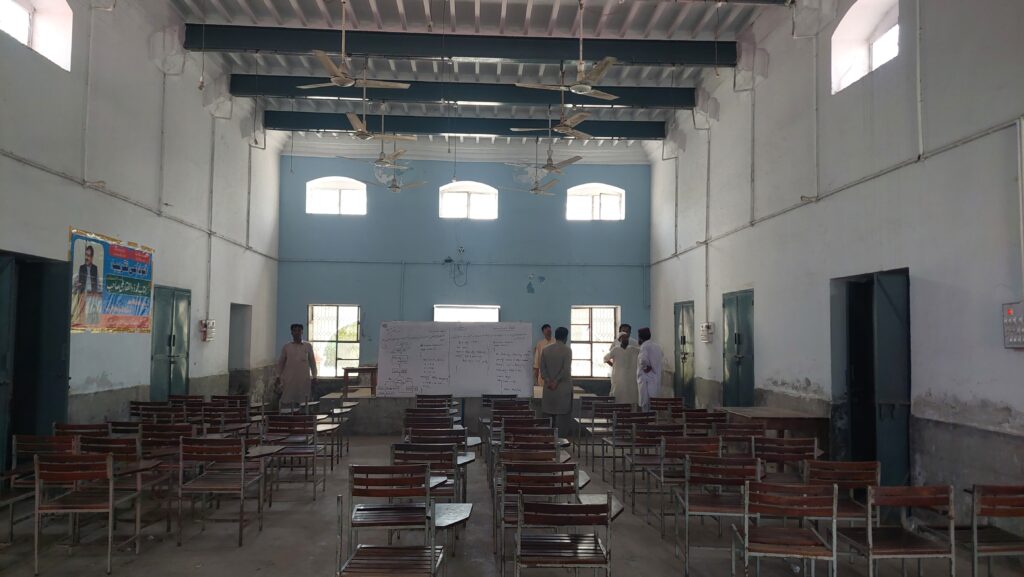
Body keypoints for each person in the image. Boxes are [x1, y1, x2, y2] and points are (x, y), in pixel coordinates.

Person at [539, 326, 574, 436]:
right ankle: (561, 441)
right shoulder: (567, 350)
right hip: (562, 390)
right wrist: (556, 381)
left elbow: (542, 369)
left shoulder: (545, 350)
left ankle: (548, 441)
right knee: (562, 421)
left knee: (548, 419)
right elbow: (565, 369)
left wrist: (548, 380)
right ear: (565, 337)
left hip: (549, 389)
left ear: (555, 336)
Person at [275, 323, 318, 409]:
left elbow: (312, 363)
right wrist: (277, 376)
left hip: (304, 380)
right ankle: (288, 416)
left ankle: (303, 416)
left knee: (304, 402)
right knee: (287, 402)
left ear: (302, 332)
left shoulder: (308, 346)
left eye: (299, 330)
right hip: (289, 380)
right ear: (291, 332)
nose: (297, 332)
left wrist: (314, 377)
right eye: (294, 330)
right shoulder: (286, 347)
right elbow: (280, 364)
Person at [604, 331, 640, 407]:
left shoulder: (633, 349)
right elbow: (605, 358)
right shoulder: (615, 349)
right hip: (618, 378)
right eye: (623, 338)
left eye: (627, 338)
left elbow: (642, 352)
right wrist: (613, 365)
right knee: (618, 396)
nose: (625, 339)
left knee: (631, 397)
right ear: (619, 339)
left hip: (630, 379)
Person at [72, 243, 102, 326]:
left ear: (92, 257)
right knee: (81, 314)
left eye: (88, 255)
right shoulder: (81, 267)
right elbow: (78, 280)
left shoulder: (95, 268)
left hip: (92, 294)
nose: (86, 257)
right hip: (82, 293)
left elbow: (98, 282)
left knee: (91, 315)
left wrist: (97, 292)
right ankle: (82, 324)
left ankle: (90, 325)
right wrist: (77, 284)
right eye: (85, 255)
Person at [636, 327, 663, 412]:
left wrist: (646, 368)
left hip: (646, 379)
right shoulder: (657, 346)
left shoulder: (644, 346)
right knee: (654, 402)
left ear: (640, 337)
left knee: (645, 403)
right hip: (655, 378)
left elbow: (642, 360)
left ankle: (646, 418)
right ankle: (653, 419)